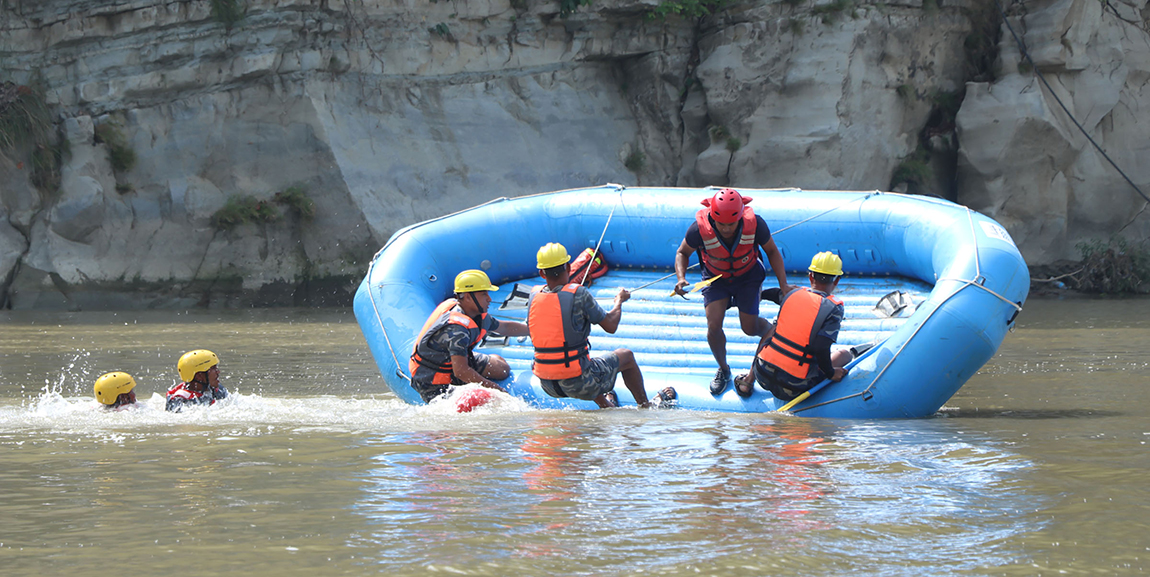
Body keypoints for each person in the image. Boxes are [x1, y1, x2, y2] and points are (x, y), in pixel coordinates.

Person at [527, 242, 675, 409]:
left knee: (586, 362)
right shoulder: (579, 294)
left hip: (547, 384)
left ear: (541, 273)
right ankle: (646, 406)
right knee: (626, 356)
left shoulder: (533, 296)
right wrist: (619, 301)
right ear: (569, 267)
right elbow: (611, 326)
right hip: (579, 383)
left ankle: (606, 405)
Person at [674, 188, 792, 395]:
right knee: (713, 326)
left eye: (732, 223)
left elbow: (772, 251)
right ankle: (723, 369)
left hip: (748, 277)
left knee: (749, 327)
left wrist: (784, 285)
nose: (727, 228)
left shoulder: (756, 224)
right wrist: (681, 278)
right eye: (722, 224)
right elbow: (682, 252)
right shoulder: (697, 230)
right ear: (712, 217)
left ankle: (771, 329)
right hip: (716, 280)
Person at [734, 251, 852, 400]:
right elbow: (821, 347)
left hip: (762, 373)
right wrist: (831, 373)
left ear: (810, 276)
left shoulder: (792, 294)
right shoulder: (833, 308)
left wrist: (748, 298)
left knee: (774, 328)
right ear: (836, 281)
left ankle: (748, 381)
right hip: (794, 386)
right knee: (845, 355)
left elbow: (774, 294)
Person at [409, 269, 530, 403]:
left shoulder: (476, 315)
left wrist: (533, 331)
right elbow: (461, 372)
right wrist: (495, 389)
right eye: (484, 294)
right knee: (479, 401)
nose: (489, 299)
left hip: (454, 363)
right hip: (433, 380)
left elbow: (505, 327)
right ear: (467, 297)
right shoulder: (456, 330)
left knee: (502, 369)